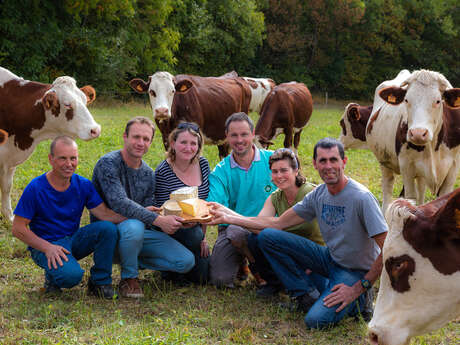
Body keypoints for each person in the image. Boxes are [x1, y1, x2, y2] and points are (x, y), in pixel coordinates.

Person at [209, 137, 387, 329]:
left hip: (355, 270)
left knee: (315, 321)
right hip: (329, 259)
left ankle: (361, 301)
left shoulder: (361, 198)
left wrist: (359, 287)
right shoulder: (318, 195)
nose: (328, 166)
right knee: (268, 237)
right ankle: (303, 295)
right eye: (323, 161)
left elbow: (388, 249)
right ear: (315, 164)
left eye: (333, 160)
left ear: (344, 162)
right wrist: (228, 216)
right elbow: (278, 224)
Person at [92, 117, 195, 298]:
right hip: (110, 234)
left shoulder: (148, 173)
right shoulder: (108, 164)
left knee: (185, 261)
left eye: (146, 139)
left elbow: (149, 208)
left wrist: (179, 220)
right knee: (134, 225)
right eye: (136, 137)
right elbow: (119, 203)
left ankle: (130, 259)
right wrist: (157, 219)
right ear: (125, 137)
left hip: (138, 234)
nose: (141, 143)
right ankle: (129, 278)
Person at [12, 136, 124, 299]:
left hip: (72, 240)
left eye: (73, 158)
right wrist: (47, 248)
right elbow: (18, 228)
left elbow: (105, 214)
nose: (69, 164)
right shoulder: (35, 188)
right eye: (62, 158)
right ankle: (52, 280)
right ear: (51, 159)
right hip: (45, 246)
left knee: (107, 228)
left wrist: (142, 214)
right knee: (71, 277)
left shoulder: (83, 184)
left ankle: (100, 283)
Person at [243, 148, 326, 298]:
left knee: (321, 291)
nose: (279, 176)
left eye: (284, 170)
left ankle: (300, 289)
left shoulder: (311, 193)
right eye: (275, 172)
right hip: (290, 251)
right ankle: (274, 283)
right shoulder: (275, 197)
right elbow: (258, 224)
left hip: (315, 254)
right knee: (255, 239)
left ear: (296, 170)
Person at [207, 112, 276, 288]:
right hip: (233, 230)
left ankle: (258, 268)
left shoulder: (273, 161)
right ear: (226, 137)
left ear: (253, 134)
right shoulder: (220, 171)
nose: (239, 140)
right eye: (234, 135)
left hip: (269, 227)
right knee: (220, 280)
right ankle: (244, 259)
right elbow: (215, 206)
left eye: (244, 134)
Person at [153, 122, 210, 284]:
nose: (188, 147)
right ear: (173, 143)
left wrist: (204, 239)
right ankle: (170, 265)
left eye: (193, 143)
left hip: (196, 231)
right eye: (183, 142)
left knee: (203, 278)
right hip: (172, 231)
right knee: (193, 235)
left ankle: (186, 264)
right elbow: (161, 211)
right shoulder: (164, 171)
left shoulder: (203, 165)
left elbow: (204, 205)